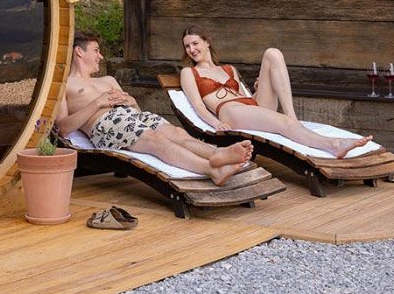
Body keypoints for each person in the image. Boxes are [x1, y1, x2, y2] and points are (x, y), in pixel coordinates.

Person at [57, 31, 254, 185]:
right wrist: (98, 103)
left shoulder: (107, 79)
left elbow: (136, 109)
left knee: (177, 133)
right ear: (79, 51)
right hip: (105, 125)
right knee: (155, 139)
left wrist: (129, 100)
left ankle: (216, 154)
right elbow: (63, 128)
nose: (100, 56)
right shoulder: (64, 86)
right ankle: (211, 170)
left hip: (133, 118)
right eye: (96, 51)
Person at [176, 26, 373, 159]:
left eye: (195, 43)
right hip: (230, 111)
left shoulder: (229, 69)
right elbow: (198, 106)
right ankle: (333, 144)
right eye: (187, 46)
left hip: (249, 105)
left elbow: (248, 102)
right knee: (283, 124)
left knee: (273, 53)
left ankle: (292, 115)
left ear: (206, 42)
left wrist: (259, 91)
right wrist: (216, 123)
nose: (192, 49)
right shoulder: (189, 72)